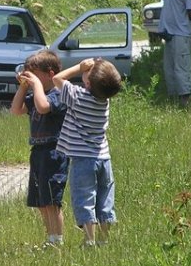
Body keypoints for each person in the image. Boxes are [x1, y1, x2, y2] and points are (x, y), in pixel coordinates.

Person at [52, 58, 122, 247]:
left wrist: (79, 67)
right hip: (104, 158)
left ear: (88, 83)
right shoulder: (104, 101)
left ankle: (89, 241)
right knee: (105, 199)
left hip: (83, 160)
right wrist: (89, 72)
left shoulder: (78, 96)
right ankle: (104, 240)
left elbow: (57, 79)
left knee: (85, 198)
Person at [10, 50, 68, 246]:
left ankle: (57, 240)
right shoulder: (36, 95)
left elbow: (43, 107)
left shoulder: (58, 94)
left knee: (52, 202)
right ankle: (50, 238)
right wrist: (24, 88)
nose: (31, 78)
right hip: (38, 152)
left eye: (35, 74)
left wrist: (35, 86)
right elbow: (16, 110)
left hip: (54, 152)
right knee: (42, 202)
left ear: (50, 73)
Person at [158, 0, 191, 107]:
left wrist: (181, 20)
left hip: (181, 34)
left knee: (182, 68)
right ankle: (174, 102)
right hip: (169, 35)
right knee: (169, 69)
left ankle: (186, 103)